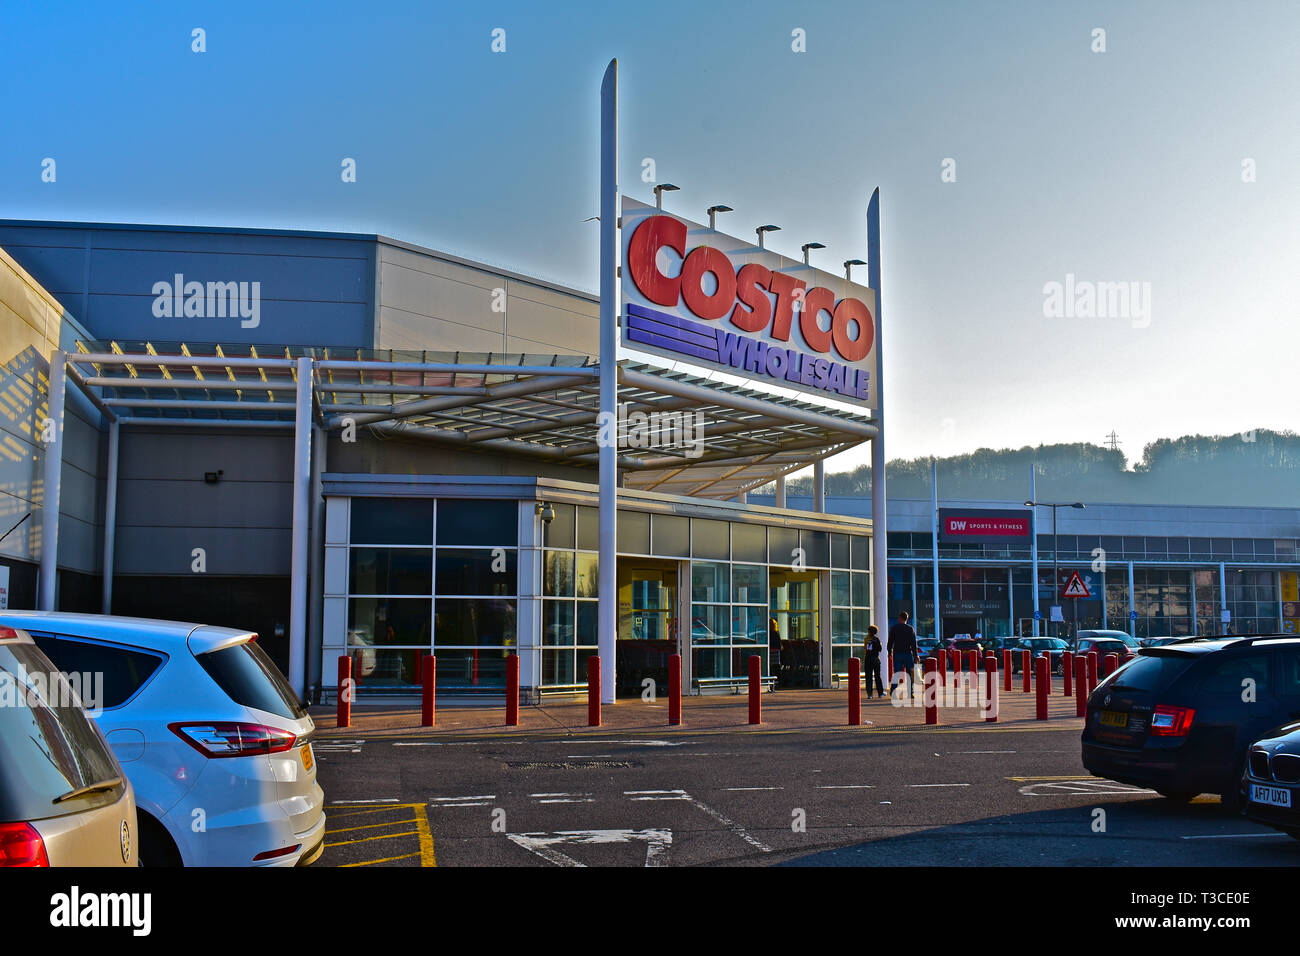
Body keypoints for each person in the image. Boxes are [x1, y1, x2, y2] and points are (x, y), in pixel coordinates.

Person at [888, 611, 919, 699]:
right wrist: (916, 655)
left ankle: (893, 692)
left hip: (897, 653)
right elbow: (913, 643)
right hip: (908, 654)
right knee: (910, 674)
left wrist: (889, 652)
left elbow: (890, 641)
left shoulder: (894, 628)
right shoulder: (910, 629)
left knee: (897, 673)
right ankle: (910, 693)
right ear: (906, 619)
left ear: (900, 618)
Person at [864, 625, 885, 699]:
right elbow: (880, 649)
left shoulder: (867, 639)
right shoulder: (877, 639)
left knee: (868, 677)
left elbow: (867, 650)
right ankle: (880, 693)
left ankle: (870, 694)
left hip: (868, 659)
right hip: (876, 659)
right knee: (877, 676)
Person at [768, 616, 782, 690]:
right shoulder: (776, 633)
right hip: (776, 652)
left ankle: (771, 680)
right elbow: (779, 644)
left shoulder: (768, 634)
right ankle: (779, 681)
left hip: (769, 652)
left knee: (770, 667)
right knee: (776, 667)